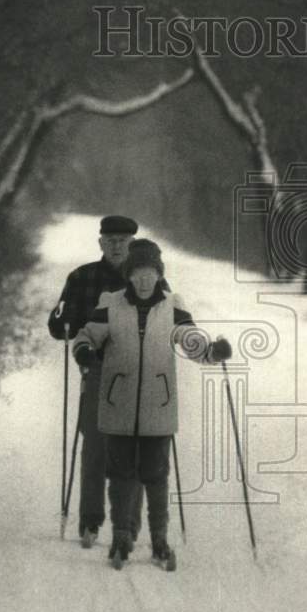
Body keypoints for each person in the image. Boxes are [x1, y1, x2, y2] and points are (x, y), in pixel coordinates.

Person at [72, 238, 232, 570]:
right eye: (138, 273)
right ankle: (120, 537)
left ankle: (159, 540)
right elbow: (87, 335)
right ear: (129, 275)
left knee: (156, 476)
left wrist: (210, 352)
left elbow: (190, 338)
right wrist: (85, 351)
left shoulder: (173, 305)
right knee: (120, 476)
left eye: (151, 273)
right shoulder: (111, 304)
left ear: (159, 275)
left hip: (158, 406)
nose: (144, 280)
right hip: (118, 405)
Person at [48, 215, 144, 548]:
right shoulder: (81, 277)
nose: (117, 246)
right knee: (95, 448)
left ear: (133, 244)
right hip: (97, 370)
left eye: (124, 241)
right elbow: (59, 323)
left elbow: (168, 320)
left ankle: (129, 525)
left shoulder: (147, 280)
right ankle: (90, 521)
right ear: (100, 243)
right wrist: (63, 322)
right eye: (111, 240)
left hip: (136, 373)